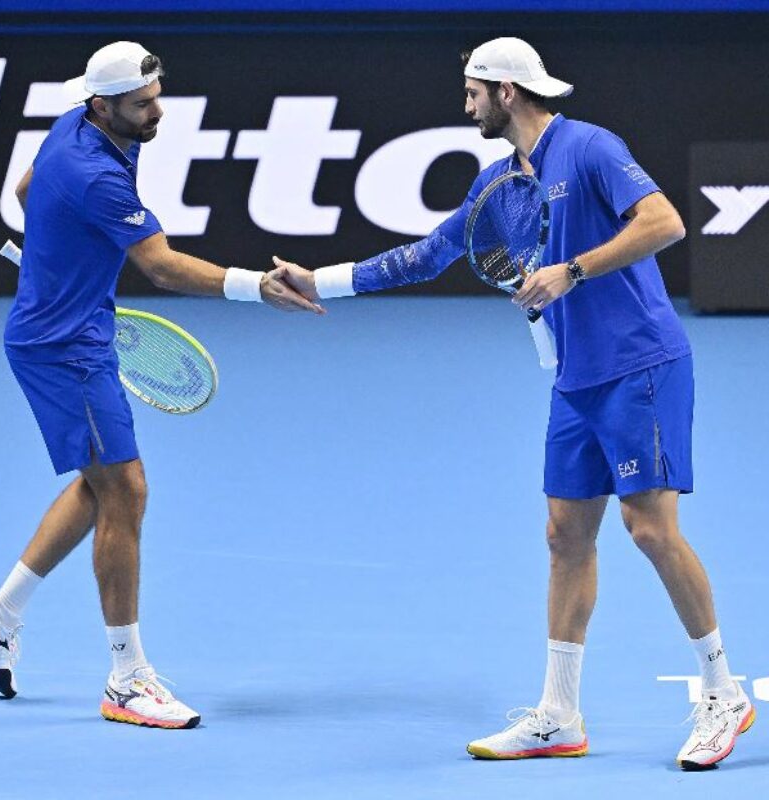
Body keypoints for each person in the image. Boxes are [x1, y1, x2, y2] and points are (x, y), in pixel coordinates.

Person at [275, 37, 753, 769]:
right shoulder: (498, 186)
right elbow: (427, 255)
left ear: (506, 91)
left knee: (650, 529)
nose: (465, 105)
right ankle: (559, 712)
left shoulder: (590, 147)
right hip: (576, 379)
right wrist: (321, 280)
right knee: (566, 536)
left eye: (472, 92)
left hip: (641, 365)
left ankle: (723, 691)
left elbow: (664, 223)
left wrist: (572, 269)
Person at [0, 41, 322, 729]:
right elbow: (159, 267)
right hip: (62, 348)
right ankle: (126, 680)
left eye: (156, 95)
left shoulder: (75, 122)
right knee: (126, 489)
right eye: (143, 104)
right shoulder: (94, 170)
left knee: (99, 484)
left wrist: (56, 265)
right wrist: (256, 287)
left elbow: (23, 192)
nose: (157, 110)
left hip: (74, 327)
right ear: (104, 105)